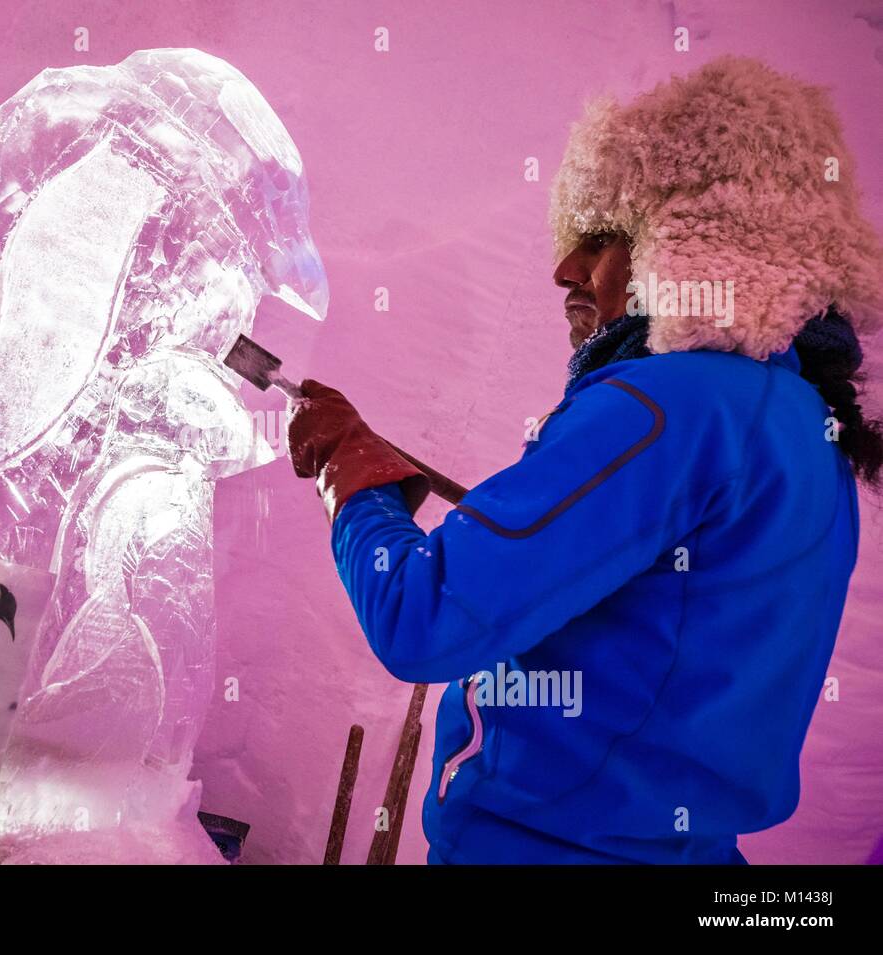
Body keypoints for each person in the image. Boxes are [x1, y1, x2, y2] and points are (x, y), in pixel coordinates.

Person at [287, 56, 883, 864]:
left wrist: (350, 475)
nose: (565, 268)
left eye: (601, 236)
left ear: (694, 241)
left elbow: (422, 619)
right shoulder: (802, 428)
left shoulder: (671, 404)